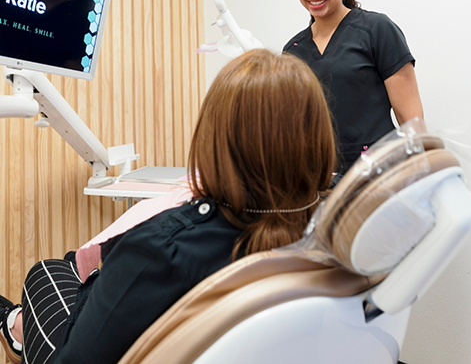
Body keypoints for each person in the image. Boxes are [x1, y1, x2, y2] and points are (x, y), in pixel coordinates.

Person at [0, 49, 336, 364]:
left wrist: (110, 266)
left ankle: (13, 324)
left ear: (214, 138)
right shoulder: (338, 232)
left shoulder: (163, 250)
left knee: (47, 271)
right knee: (67, 267)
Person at [284, 0, 424, 175]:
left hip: (381, 176)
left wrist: (422, 175)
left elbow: (412, 122)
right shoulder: (293, 51)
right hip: (319, 182)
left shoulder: (376, 30)